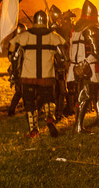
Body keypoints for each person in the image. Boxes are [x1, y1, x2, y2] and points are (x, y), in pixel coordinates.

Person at [8, 10, 66, 138]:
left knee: (29, 102)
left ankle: (34, 130)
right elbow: (62, 57)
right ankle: (50, 117)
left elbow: (15, 56)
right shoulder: (54, 36)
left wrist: (15, 73)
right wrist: (59, 69)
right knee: (48, 98)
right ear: (45, 21)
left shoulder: (24, 36)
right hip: (47, 74)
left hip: (28, 75)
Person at [70, 0, 99, 132]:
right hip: (89, 66)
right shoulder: (91, 29)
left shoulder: (77, 28)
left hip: (79, 65)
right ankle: (78, 127)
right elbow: (96, 50)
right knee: (86, 95)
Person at [49, 5, 75, 118]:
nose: (68, 23)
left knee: (69, 88)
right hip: (57, 64)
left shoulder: (64, 31)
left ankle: (69, 108)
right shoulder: (55, 31)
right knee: (60, 90)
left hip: (68, 62)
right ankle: (58, 112)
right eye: (66, 21)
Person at [6, 23, 27, 116]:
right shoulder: (15, 42)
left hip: (24, 69)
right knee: (21, 91)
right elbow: (11, 57)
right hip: (18, 70)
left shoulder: (21, 42)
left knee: (21, 91)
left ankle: (12, 110)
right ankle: (13, 110)